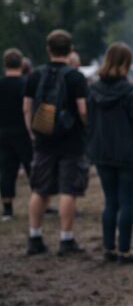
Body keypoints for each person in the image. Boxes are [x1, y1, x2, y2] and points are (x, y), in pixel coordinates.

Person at [86, 43, 133, 263]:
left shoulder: (93, 92)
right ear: (126, 63)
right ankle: (124, 250)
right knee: (126, 203)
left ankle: (109, 247)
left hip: (103, 153)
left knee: (110, 202)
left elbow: (89, 122)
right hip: (128, 155)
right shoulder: (131, 93)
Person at [23, 30, 89, 256]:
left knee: (39, 190)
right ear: (70, 50)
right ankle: (66, 239)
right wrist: (86, 129)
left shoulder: (35, 75)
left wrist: (33, 132)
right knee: (68, 190)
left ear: (48, 49)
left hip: (43, 139)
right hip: (71, 141)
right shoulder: (75, 77)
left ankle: (35, 236)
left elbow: (27, 108)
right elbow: (82, 110)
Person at [1, 48, 33, 221]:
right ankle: (40, 202)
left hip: (4, 132)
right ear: (21, 63)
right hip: (23, 131)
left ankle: (7, 209)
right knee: (32, 168)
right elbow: (29, 108)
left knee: (7, 170)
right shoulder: (26, 84)